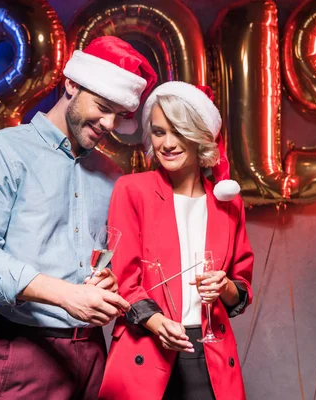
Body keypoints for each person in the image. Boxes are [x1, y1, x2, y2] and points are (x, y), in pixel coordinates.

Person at [0, 36, 157, 399]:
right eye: (102, 106)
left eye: (119, 115)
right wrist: (67, 296)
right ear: (70, 83)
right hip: (24, 350)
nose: (109, 123)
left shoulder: (112, 174)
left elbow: (104, 258)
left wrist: (104, 282)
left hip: (94, 352)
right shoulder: (2, 151)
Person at [98, 81, 254, 400]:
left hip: (210, 353)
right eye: (158, 132)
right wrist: (156, 322)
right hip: (148, 346)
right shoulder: (132, 191)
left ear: (201, 136)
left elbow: (242, 285)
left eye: (179, 131)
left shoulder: (228, 203)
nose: (167, 144)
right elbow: (125, 281)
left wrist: (224, 287)